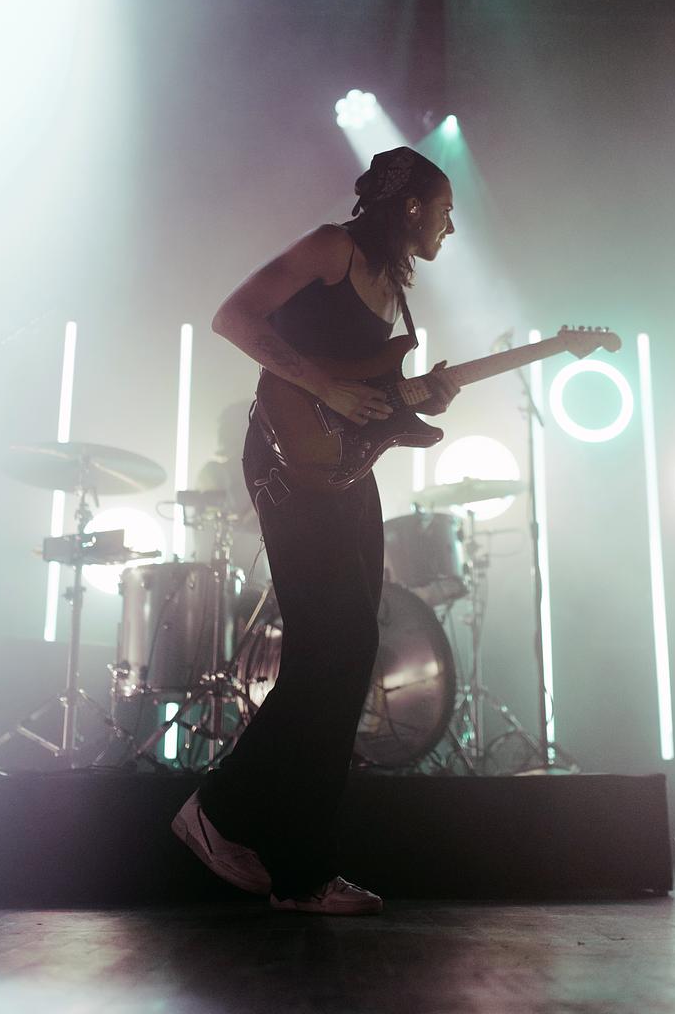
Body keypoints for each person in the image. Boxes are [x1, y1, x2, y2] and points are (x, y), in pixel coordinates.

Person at [172, 146, 459, 914]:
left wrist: (416, 396)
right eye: (444, 211)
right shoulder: (336, 248)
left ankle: (302, 873)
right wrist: (323, 384)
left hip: (346, 471)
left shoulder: (392, 288)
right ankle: (220, 812)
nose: (450, 227)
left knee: (351, 650)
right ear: (409, 208)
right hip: (285, 460)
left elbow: (364, 390)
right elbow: (234, 316)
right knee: (333, 646)